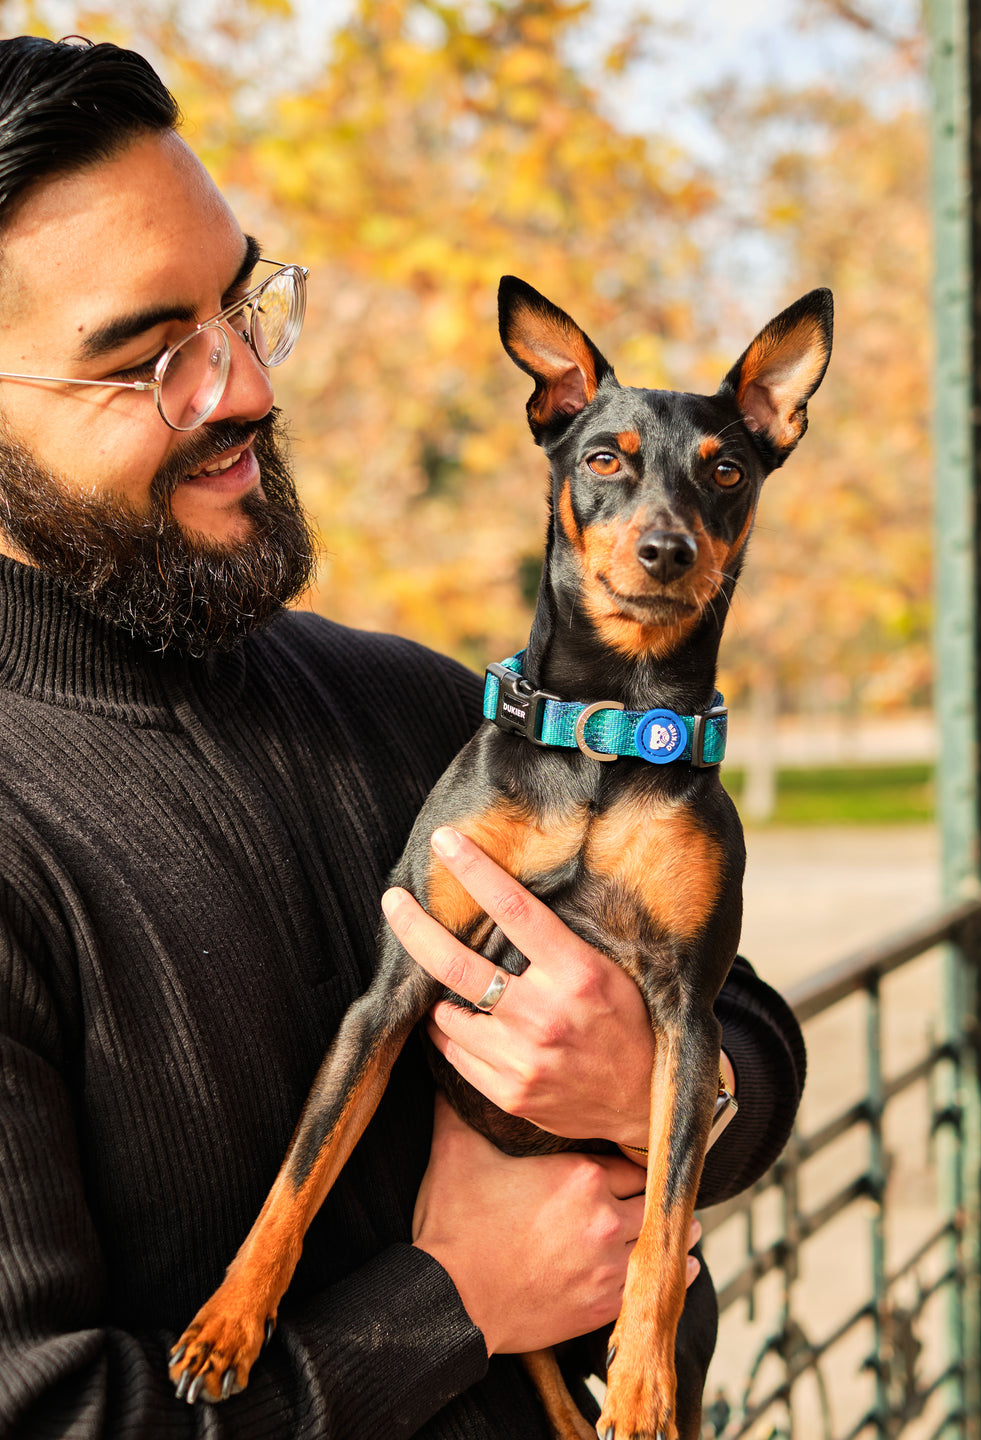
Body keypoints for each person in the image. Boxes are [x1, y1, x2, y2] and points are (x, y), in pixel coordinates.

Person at [0, 34, 806, 1439]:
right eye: (148, 360)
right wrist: (453, 1301)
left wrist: (647, 1081)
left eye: (243, 308)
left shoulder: (428, 707)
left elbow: (747, 1030)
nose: (246, 386)